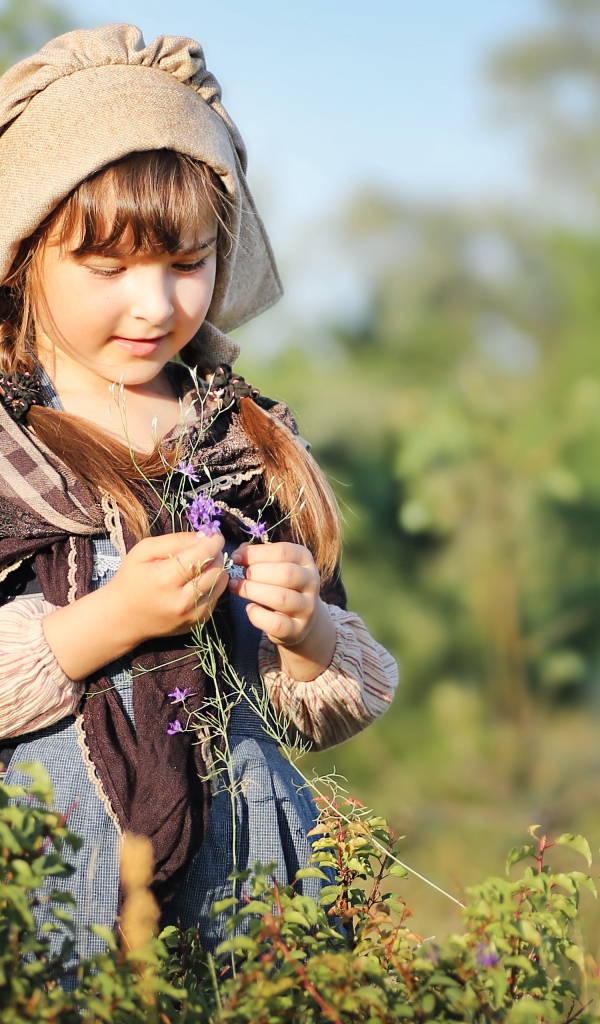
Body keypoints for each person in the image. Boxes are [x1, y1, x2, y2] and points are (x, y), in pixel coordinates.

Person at [0, 24, 398, 971]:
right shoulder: (11, 443)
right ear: (23, 257)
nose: (155, 305)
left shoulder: (240, 433)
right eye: (108, 269)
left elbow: (334, 703)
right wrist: (103, 621)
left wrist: (306, 634)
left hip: (255, 873)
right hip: (56, 865)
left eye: (185, 263)